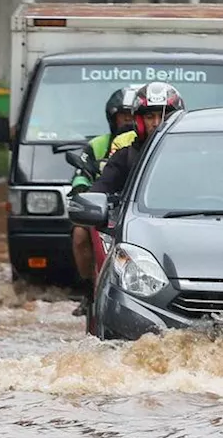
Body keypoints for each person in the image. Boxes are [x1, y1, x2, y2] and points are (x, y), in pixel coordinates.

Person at [69, 81, 185, 314]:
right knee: (81, 232)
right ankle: (90, 294)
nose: (157, 123)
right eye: (149, 117)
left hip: (185, 228)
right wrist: (86, 203)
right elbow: (97, 191)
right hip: (135, 230)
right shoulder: (124, 157)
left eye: (163, 116)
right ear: (139, 121)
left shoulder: (197, 155)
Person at [68, 87, 136, 313]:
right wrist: (83, 191)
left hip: (140, 210)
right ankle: (89, 292)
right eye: (122, 116)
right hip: (103, 210)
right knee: (79, 234)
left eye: (131, 115)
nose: (127, 121)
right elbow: (82, 176)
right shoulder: (98, 145)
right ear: (112, 118)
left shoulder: (155, 145)